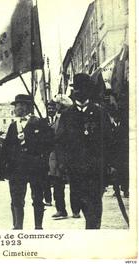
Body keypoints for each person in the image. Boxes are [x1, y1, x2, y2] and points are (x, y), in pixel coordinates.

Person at [56, 73, 113, 229]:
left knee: (94, 203)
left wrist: (110, 164)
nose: (78, 92)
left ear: (89, 91)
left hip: (96, 169)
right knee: (80, 202)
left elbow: (109, 141)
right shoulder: (67, 115)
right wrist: (63, 163)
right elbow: (60, 142)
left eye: (82, 89)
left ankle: (93, 230)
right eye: (76, 89)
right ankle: (91, 225)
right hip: (75, 169)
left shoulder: (100, 113)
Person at [0, 95, 53, 230]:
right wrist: (1, 167)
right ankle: (18, 226)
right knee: (17, 198)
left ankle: (38, 226)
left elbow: (49, 144)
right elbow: (6, 148)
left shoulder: (39, 123)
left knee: (37, 198)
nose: (15, 108)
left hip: (36, 168)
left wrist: (42, 160)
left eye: (17, 105)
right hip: (16, 168)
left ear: (25, 107)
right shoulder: (13, 126)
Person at [48, 95, 73, 218]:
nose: (54, 106)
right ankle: (64, 209)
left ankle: (69, 209)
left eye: (56, 104)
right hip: (56, 156)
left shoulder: (66, 118)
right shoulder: (58, 118)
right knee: (58, 184)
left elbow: (61, 137)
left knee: (61, 184)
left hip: (63, 155)